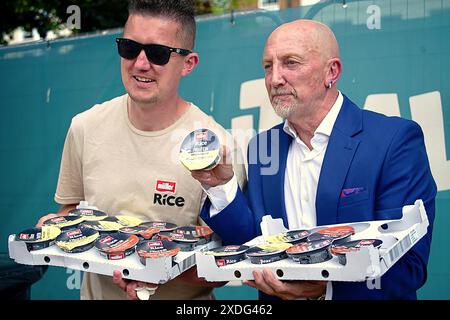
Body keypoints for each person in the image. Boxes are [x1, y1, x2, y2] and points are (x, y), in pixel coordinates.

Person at [191, 19, 437, 300]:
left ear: (331, 71)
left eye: (291, 63)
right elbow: (253, 245)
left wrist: (327, 287)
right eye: (268, 66)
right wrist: (222, 187)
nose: (274, 79)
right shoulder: (263, 145)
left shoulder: (394, 140)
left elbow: (408, 265)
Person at [36, 0, 246, 300]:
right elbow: (69, 211)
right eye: (129, 48)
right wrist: (57, 228)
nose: (140, 63)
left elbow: (223, 262)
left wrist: (153, 276)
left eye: (158, 53)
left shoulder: (218, 148)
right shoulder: (85, 127)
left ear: (189, 63)